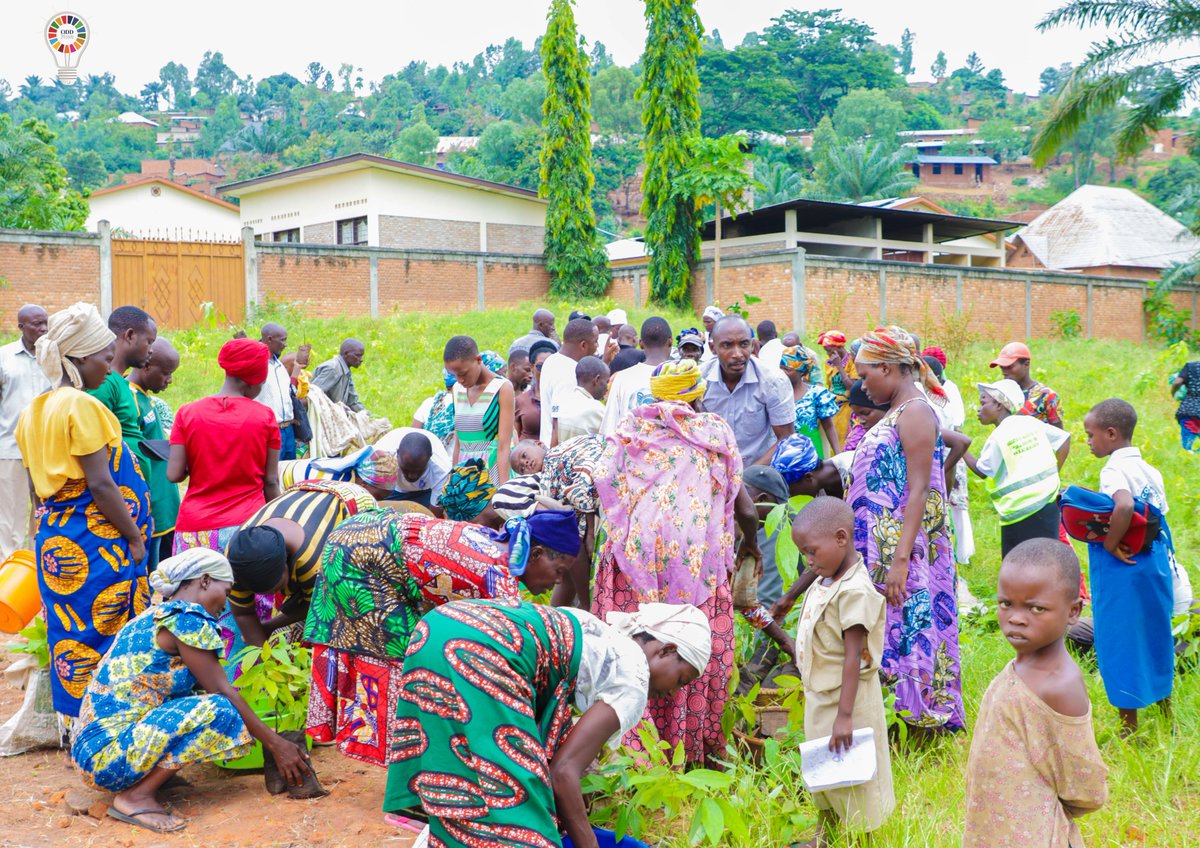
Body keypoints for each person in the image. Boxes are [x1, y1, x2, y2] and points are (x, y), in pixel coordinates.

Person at [383, 599, 710, 847]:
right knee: (519, 816)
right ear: (666, 649)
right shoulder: (634, 676)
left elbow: (554, 756)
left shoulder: (602, 637)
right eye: (681, 680)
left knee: (461, 772)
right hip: (481, 649)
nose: (671, 694)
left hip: (439, 628)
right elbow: (562, 772)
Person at [304, 509, 582, 766]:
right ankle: (406, 777)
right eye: (559, 572)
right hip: (364, 557)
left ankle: (413, 766)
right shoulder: (498, 580)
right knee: (404, 659)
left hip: (362, 535)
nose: (557, 582)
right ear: (535, 555)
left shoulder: (498, 549)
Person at [71, 550, 316, 834]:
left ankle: (152, 778)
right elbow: (221, 690)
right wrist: (276, 744)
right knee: (219, 709)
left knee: (201, 702)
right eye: (225, 591)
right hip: (109, 757)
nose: (225, 604)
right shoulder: (186, 618)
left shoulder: (156, 614)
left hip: (96, 751)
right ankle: (135, 796)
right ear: (205, 580)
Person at [593, 359, 764, 764]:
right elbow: (746, 509)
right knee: (694, 656)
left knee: (632, 651)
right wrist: (751, 545)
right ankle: (689, 754)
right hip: (696, 569)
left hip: (629, 569)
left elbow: (604, 491)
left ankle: (628, 757)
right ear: (697, 394)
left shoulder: (628, 433)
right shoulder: (713, 434)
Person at [15, 302, 151, 718]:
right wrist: (133, 537)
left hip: (59, 542)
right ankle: (116, 729)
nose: (110, 369)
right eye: (104, 359)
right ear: (79, 359)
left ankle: (80, 726)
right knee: (112, 635)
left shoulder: (34, 411)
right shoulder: (81, 406)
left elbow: (38, 492)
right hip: (98, 545)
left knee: (75, 637)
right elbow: (101, 483)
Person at [847, 326, 964, 732]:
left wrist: (900, 559)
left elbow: (919, 490)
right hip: (888, 547)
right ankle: (896, 718)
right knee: (893, 629)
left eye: (866, 375)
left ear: (888, 367)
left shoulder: (914, 411)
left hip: (905, 551)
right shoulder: (901, 410)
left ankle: (916, 720)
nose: (863, 384)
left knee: (908, 626)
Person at [963, 540, 1107, 847]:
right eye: (1006, 604)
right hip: (995, 828)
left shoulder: (1059, 685)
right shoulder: (1020, 668)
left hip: (1035, 834)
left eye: (1036, 608)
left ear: (1073, 611)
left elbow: (1087, 786)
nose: (1016, 617)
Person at [792, 497, 893, 846]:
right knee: (825, 769)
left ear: (841, 538)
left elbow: (854, 656)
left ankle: (863, 836)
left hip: (847, 702)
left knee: (855, 772)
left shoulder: (854, 590)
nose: (808, 561)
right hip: (821, 697)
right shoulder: (827, 579)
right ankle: (826, 831)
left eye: (811, 552)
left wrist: (845, 717)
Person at [1081, 399, 1175, 736]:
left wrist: (1109, 544)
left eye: (1091, 435)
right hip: (1155, 561)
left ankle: (1128, 727)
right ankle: (1167, 712)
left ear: (1111, 433)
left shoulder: (1113, 470)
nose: (1088, 442)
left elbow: (1122, 506)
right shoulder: (1151, 470)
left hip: (1125, 566)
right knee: (1155, 633)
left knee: (1119, 637)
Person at [702, 315, 795, 607]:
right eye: (727, 345)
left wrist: (742, 476)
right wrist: (724, 476)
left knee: (763, 573)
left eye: (744, 344)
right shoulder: (699, 380)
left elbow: (785, 439)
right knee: (712, 566)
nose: (737, 353)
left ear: (754, 345)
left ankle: (765, 643)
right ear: (713, 346)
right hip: (711, 485)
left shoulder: (773, 381)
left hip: (760, 484)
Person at [168, 339, 281, 555]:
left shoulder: (187, 413)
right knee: (247, 588)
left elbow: (174, 474)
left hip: (195, 529)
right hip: (247, 528)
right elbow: (271, 481)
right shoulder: (264, 417)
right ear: (252, 381)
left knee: (194, 588)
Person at [964, 380, 1070, 556]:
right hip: (1047, 502)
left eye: (983, 403)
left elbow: (983, 470)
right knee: (1046, 561)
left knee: (1017, 565)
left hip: (1018, 512)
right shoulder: (1029, 423)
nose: (979, 409)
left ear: (999, 405)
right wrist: (1054, 474)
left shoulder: (998, 436)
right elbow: (1063, 439)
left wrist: (961, 448)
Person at [0, 304, 49, 558]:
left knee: (42, 516)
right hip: (11, 449)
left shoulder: (54, 358)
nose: (43, 329)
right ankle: (7, 582)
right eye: (36, 324)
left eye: (45, 323)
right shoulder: (4, 357)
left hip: (47, 451)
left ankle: (35, 574)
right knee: (10, 522)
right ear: (21, 327)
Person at [128, 339, 182, 569]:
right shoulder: (129, 399)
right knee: (150, 571)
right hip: (151, 502)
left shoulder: (146, 398)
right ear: (146, 366)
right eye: (166, 373)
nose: (169, 380)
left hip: (165, 502)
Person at [86, 306, 157, 477]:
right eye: (149, 341)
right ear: (130, 335)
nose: (151, 350)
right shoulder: (105, 382)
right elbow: (90, 441)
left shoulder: (119, 382)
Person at [444, 335, 513, 484]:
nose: (459, 380)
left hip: (491, 472)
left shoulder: (502, 388)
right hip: (465, 476)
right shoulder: (457, 389)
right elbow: (458, 443)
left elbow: (504, 446)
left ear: (478, 360)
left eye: (463, 374)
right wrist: (453, 484)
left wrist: (504, 490)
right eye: (454, 375)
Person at [602, 317, 673, 435]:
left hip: (629, 452)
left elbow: (610, 429)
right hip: (674, 452)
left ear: (640, 344)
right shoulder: (684, 376)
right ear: (670, 341)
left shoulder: (622, 378)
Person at [539, 317, 599, 446]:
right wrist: (553, 459)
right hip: (559, 453)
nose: (597, 347)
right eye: (596, 342)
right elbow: (559, 421)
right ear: (583, 345)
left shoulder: (553, 360)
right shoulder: (568, 372)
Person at [780, 346, 841, 457]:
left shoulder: (816, 394)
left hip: (812, 452)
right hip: (785, 453)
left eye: (787, 369)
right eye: (781, 368)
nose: (783, 373)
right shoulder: (775, 394)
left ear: (801, 372)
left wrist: (838, 455)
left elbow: (829, 427)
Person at [278, 444, 399, 499]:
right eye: (377, 497)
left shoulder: (351, 475)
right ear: (364, 485)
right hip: (278, 486)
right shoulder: (336, 487)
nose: (376, 502)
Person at [373, 427, 452, 509]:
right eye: (406, 470)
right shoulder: (380, 456)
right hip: (390, 489)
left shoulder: (442, 470)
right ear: (397, 454)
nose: (411, 476)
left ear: (429, 458)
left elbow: (435, 513)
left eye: (418, 471)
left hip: (425, 492)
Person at [990, 341, 1064, 428]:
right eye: (1002, 368)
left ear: (1026, 364)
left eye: (1009, 367)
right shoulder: (1002, 395)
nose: (1004, 372)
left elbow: (1060, 437)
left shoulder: (1047, 396)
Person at [818, 330, 858, 446]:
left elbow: (853, 387)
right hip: (833, 408)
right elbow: (830, 386)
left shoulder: (852, 361)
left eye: (830, 351)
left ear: (839, 348)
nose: (828, 355)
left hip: (847, 408)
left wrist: (840, 366)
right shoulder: (828, 363)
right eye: (826, 352)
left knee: (845, 441)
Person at [555, 355, 608, 442]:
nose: (607, 387)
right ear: (597, 380)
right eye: (606, 381)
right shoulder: (597, 409)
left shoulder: (565, 401)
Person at [515, 340, 556, 442]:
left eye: (551, 366)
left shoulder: (563, 399)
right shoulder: (520, 401)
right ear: (531, 367)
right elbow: (513, 439)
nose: (546, 371)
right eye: (540, 367)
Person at [311, 338, 366, 412]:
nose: (361, 359)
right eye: (358, 355)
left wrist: (369, 417)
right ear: (346, 354)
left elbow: (352, 402)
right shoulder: (333, 369)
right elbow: (312, 395)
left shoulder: (345, 371)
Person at [411, 366, 457, 452]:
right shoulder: (468, 404)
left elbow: (412, 439)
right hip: (456, 464)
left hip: (427, 462)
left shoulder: (430, 403)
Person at [842, 379, 888, 453]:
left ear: (885, 407)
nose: (861, 421)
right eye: (856, 416)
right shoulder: (857, 435)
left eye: (866, 413)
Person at [1171, 356, 1200, 451]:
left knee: (1187, 448)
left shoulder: (1191, 366)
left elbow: (1176, 383)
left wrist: (1173, 394)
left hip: (1189, 411)